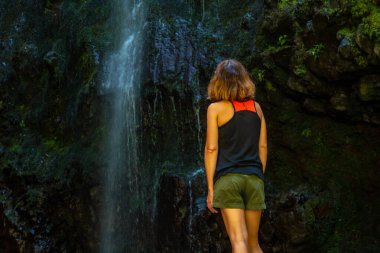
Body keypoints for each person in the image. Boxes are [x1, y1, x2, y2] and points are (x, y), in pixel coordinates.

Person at [204, 59, 267, 253]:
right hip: (254, 178)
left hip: (228, 179)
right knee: (253, 244)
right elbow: (263, 147)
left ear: (219, 81)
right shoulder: (257, 108)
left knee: (239, 241)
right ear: (244, 80)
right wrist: (258, 176)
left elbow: (211, 149)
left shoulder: (215, 109)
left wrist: (210, 188)